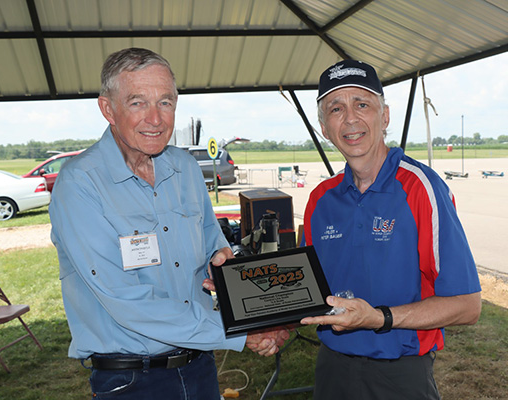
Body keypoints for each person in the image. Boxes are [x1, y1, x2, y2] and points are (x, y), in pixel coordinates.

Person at [49, 47, 288, 400]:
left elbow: (212, 241)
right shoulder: (80, 184)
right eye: (137, 103)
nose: (156, 118)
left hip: (199, 367)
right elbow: (126, 299)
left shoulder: (186, 168)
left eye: (165, 102)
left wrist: (229, 269)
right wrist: (239, 333)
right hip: (132, 380)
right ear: (107, 109)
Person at [299, 60, 482, 399]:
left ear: (384, 117)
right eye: (336, 108)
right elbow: (306, 293)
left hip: (401, 375)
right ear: (324, 127)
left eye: (362, 104)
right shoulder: (319, 202)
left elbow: (468, 305)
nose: (350, 118)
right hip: (332, 370)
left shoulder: (421, 188)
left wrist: (379, 318)